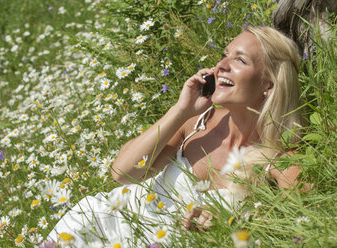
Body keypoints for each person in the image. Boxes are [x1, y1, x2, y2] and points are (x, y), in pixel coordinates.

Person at [47, 26, 303, 247]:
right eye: (224, 55)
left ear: (268, 84)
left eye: (240, 60)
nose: (221, 65)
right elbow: (123, 174)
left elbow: (297, 226)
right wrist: (180, 111)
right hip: (102, 225)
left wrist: (228, 223)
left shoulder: (280, 160)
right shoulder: (196, 125)